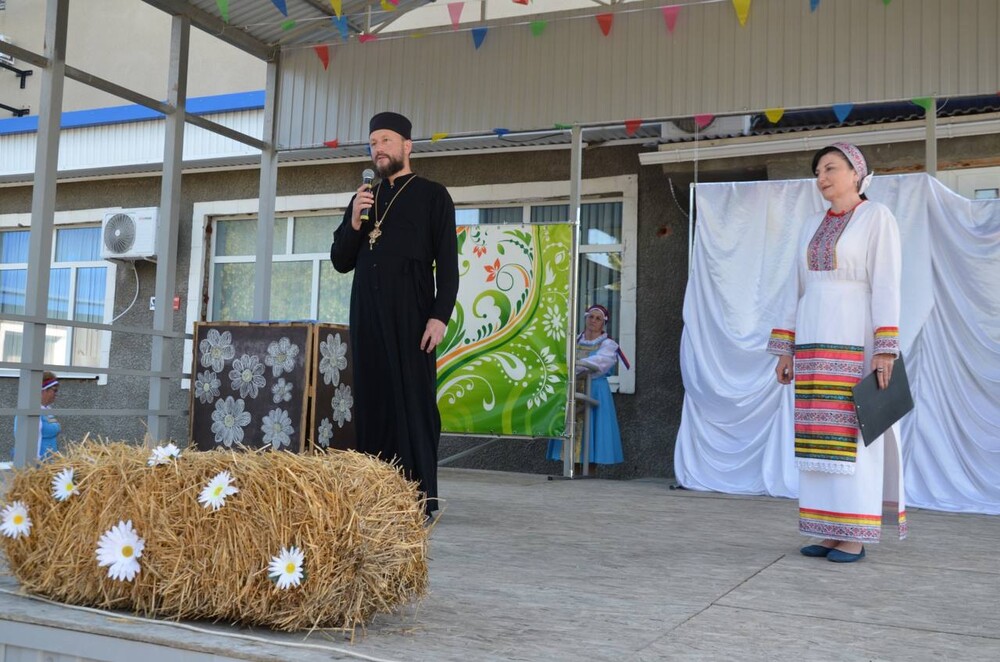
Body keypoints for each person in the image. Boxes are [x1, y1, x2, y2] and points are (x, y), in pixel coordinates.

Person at [768, 142, 906, 563]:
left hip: (855, 335)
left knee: (853, 430)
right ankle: (826, 529)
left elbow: (887, 283)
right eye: (817, 172)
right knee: (817, 434)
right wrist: (785, 348)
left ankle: (854, 534)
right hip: (812, 339)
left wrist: (885, 348)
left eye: (830, 168)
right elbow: (795, 286)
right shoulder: (811, 223)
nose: (822, 177)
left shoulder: (877, 217)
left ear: (856, 172)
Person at [330, 111, 458, 519]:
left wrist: (439, 316)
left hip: (412, 315)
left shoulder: (433, 195)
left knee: (413, 402)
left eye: (386, 140)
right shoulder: (363, 198)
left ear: (407, 145)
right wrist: (353, 221)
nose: (378, 149)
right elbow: (340, 261)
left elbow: (448, 266)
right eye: (373, 143)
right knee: (372, 400)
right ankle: (376, 496)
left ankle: (419, 497)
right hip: (367, 314)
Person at [547, 304, 626, 471]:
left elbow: (601, 362)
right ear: (585, 318)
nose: (593, 321)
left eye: (598, 318)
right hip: (573, 387)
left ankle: (590, 468)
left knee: (593, 428)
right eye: (591, 317)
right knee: (571, 424)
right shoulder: (574, 340)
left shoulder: (608, 344)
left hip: (595, 389)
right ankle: (571, 467)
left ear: (603, 323)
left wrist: (575, 365)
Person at [12, 371, 61, 461]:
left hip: (50, 463)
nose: (56, 394)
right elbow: (25, 441)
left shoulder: (48, 410)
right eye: (54, 390)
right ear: (43, 390)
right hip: (37, 463)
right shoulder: (31, 411)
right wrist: (36, 462)